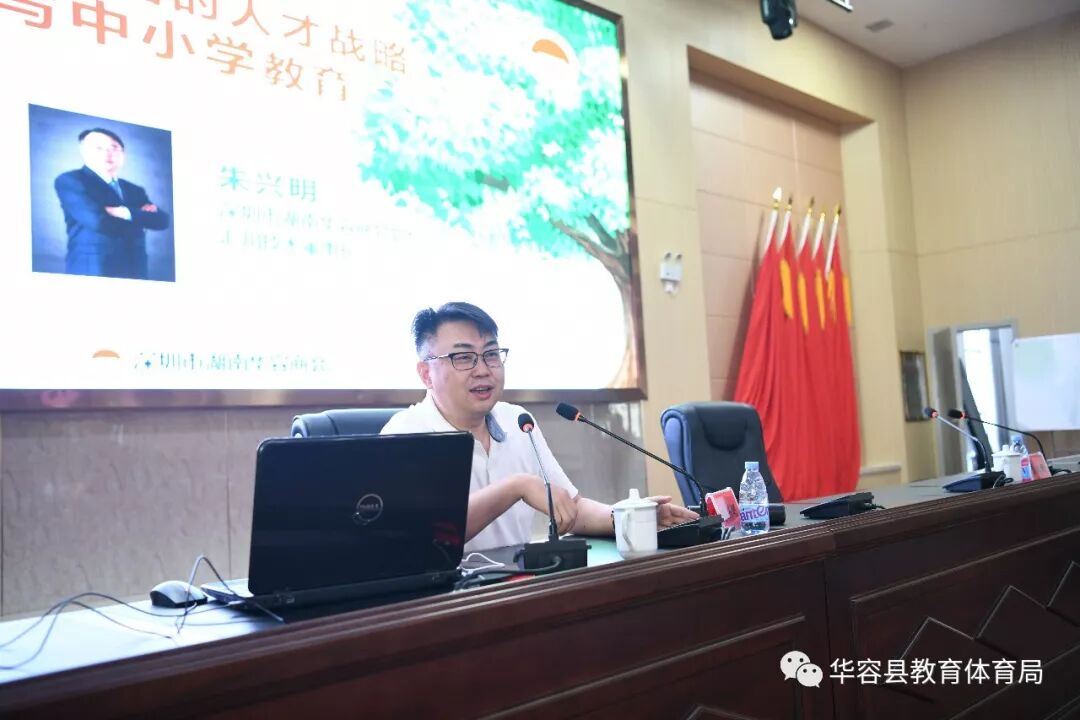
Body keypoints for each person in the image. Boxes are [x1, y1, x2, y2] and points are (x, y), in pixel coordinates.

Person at [381, 302, 698, 552]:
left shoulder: (517, 422)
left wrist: (630, 517)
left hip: (517, 588)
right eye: (464, 357)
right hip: (445, 600)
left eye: (491, 354)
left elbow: (570, 507)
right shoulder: (405, 434)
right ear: (426, 373)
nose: (483, 370)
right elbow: (426, 536)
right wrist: (515, 486)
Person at [54, 128, 170, 279]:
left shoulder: (134, 189)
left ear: (123, 154)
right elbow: (98, 222)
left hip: (135, 265)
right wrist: (140, 217)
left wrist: (123, 212)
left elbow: (162, 221)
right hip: (93, 267)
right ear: (84, 152)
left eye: (114, 148)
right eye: (99, 148)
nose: (107, 153)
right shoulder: (71, 180)